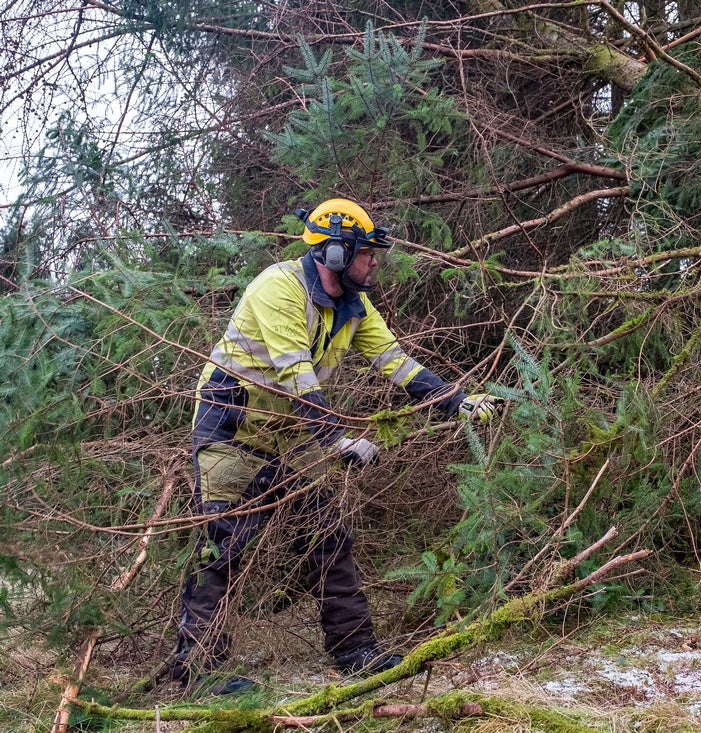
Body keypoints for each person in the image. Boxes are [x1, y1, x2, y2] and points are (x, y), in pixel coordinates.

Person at [166, 198, 498, 692]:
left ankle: (355, 651)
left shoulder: (353, 306)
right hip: (233, 426)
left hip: (291, 432)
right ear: (337, 253)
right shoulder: (279, 287)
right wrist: (337, 440)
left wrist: (457, 402)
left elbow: (396, 362)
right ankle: (198, 671)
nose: (374, 262)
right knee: (222, 547)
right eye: (367, 252)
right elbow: (295, 372)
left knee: (327, 532)